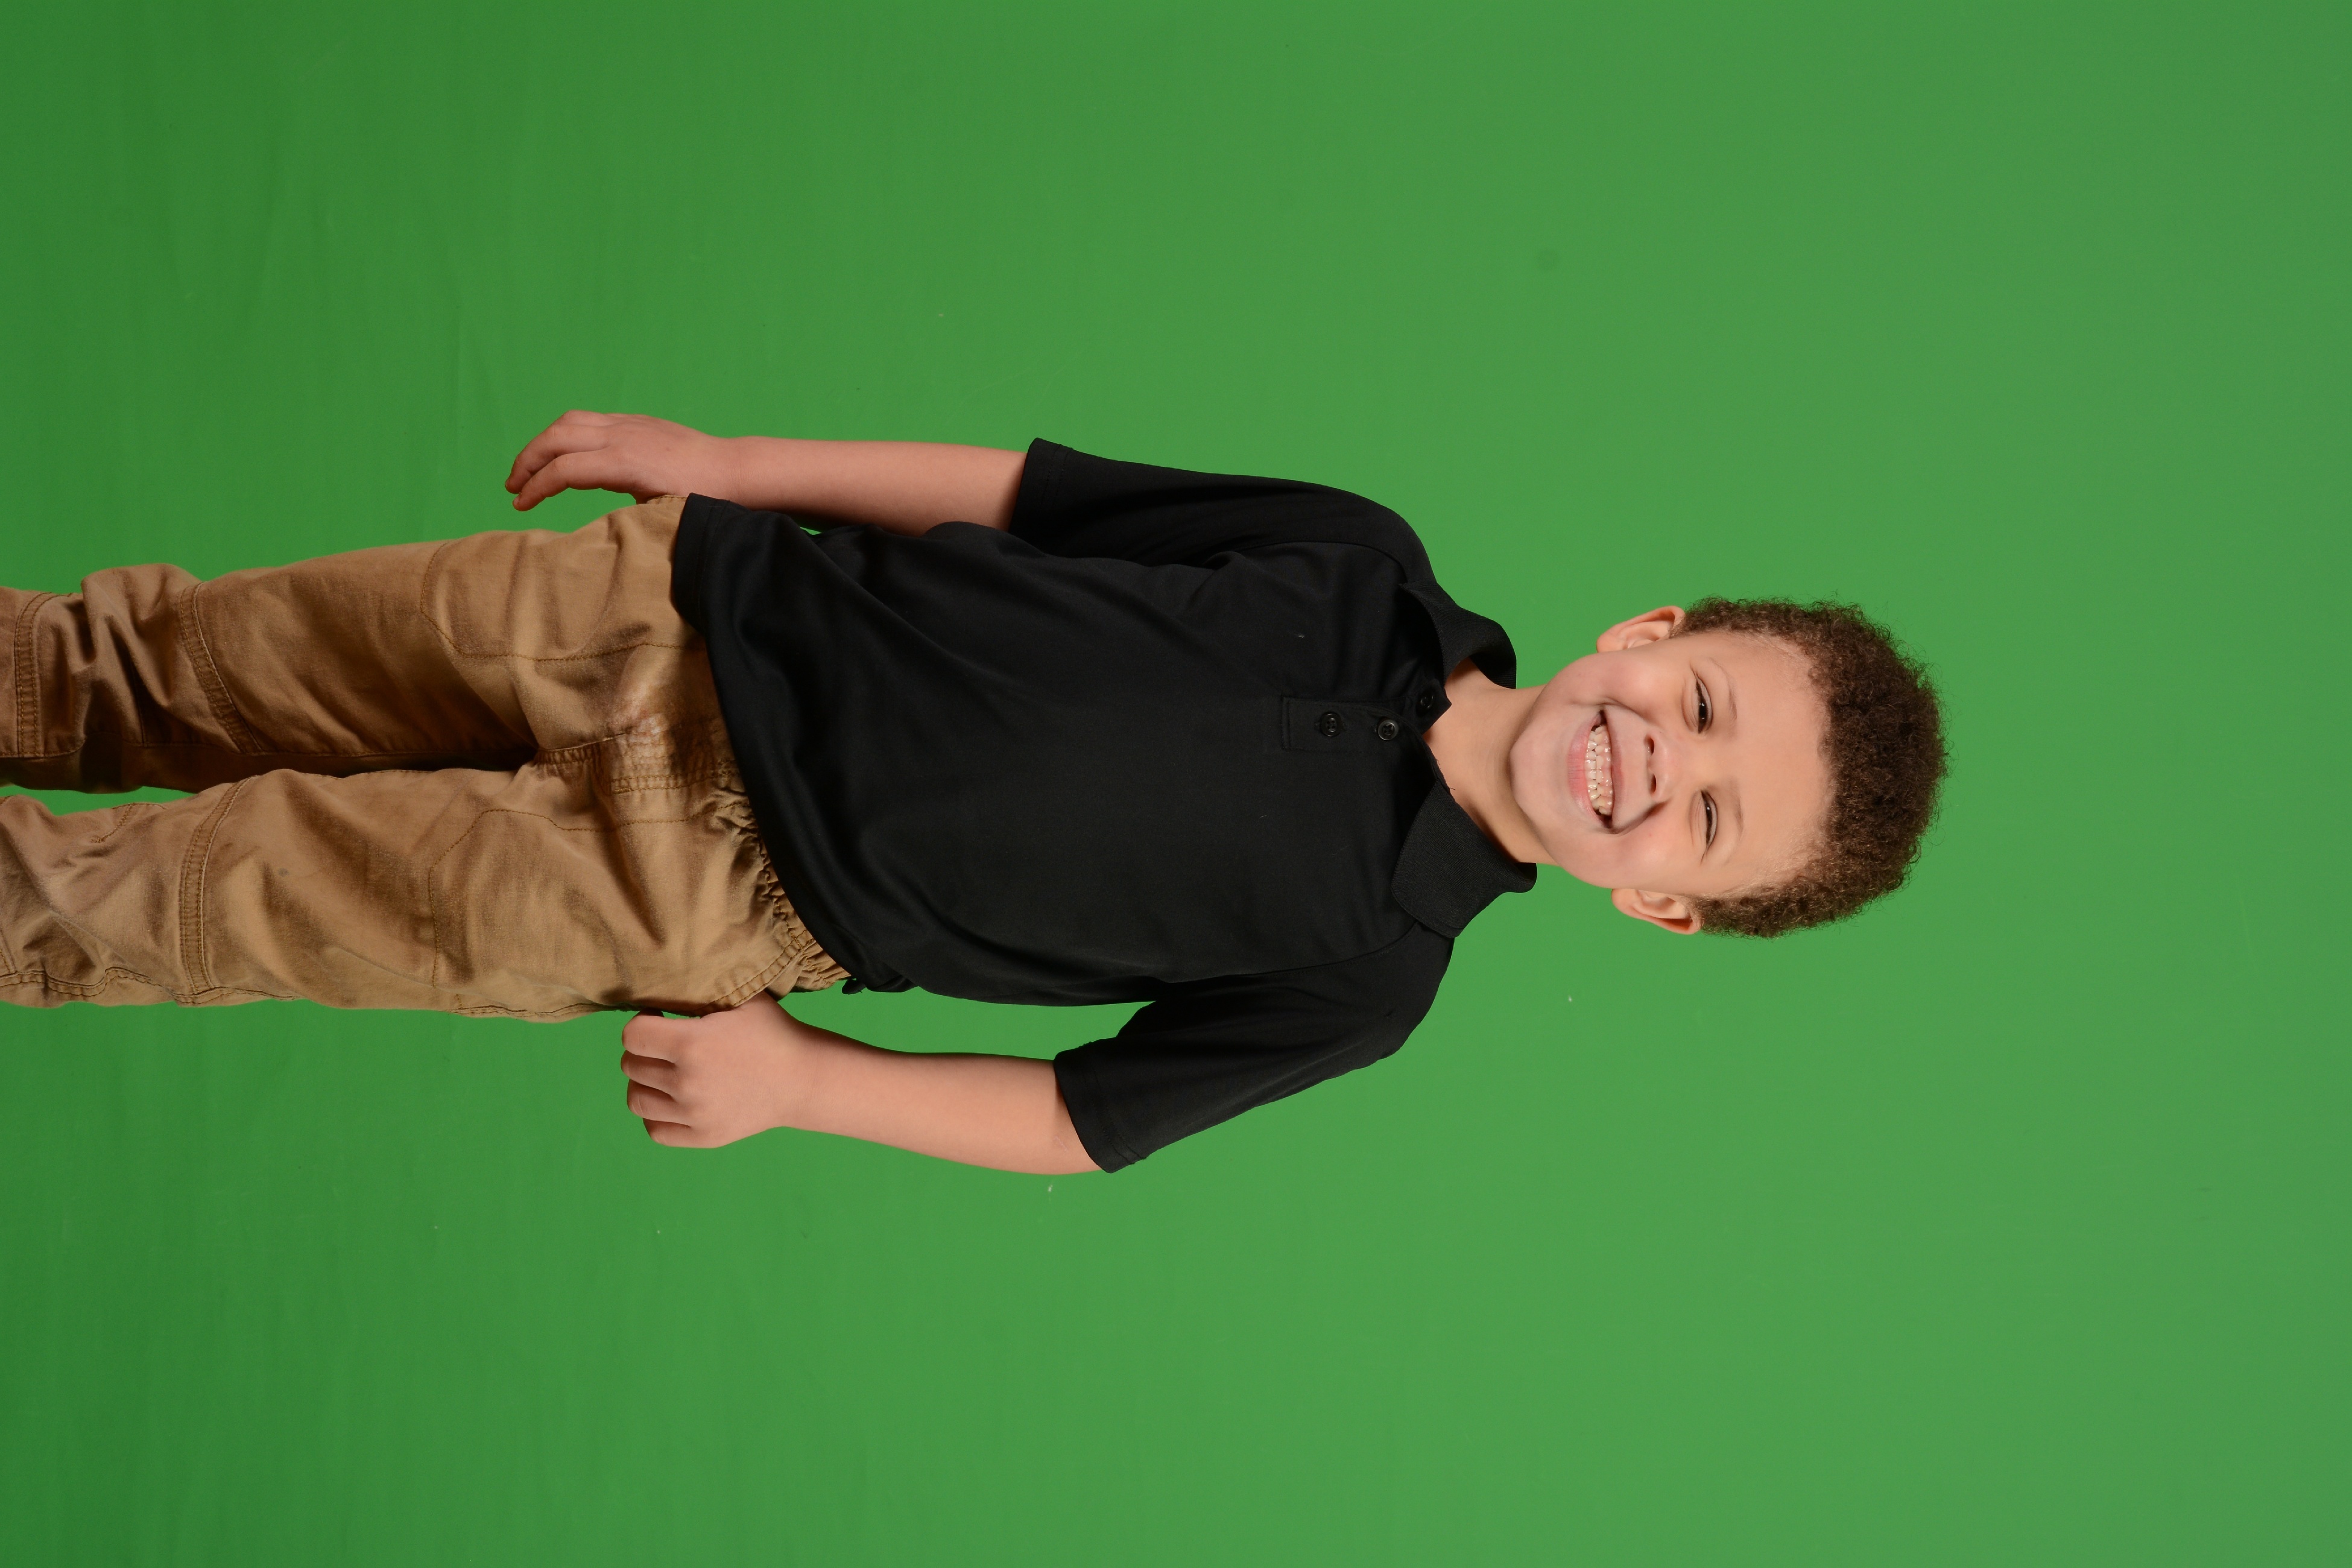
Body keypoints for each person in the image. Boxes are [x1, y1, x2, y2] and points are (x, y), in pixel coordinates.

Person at [0, 412, 1945, 1174]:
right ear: (1649, 628)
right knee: (166, 659)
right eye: (1698, 705)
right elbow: (1029, 498)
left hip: (704, 887)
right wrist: (734, 463)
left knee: (193, 893)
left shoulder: (1369, 974)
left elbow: (1083, 1118)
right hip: (667, 604)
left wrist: (803, 1081)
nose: (1657, 763)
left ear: (1659, 904)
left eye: (1704, 816)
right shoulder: (1358, 561)